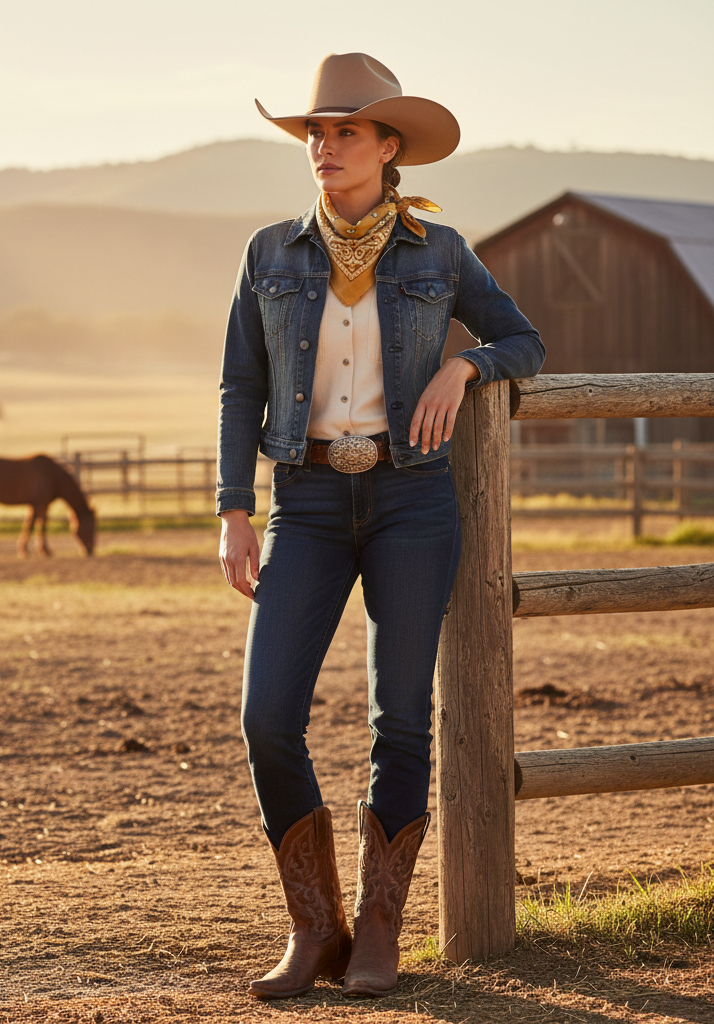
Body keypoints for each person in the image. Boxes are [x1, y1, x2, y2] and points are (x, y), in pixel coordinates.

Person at [216, 53, 545, 1000]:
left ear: (388, 146)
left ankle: (379, 935)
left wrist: (467, 368)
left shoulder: (437, 253)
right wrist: (235, 510)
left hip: (411, 501)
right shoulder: (270, 252)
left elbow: (523, 335)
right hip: (306, 504)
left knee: (399, 719)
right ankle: (315, 928)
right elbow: (243, 385)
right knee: (267, 714)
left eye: (344, 131)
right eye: (314, 132)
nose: (322, 146)